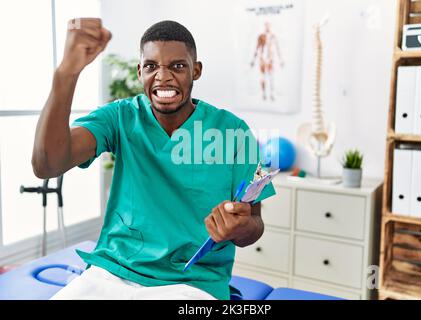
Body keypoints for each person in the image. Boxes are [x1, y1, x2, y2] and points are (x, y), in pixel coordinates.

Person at [32, 18, 275, 300]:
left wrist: (240, 226)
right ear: (139, 72)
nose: (163, 77)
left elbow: (254, 225)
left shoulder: (233, 132)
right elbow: (46, 165)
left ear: (195, 71)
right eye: (151, 66)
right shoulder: (120, 118)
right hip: (111, 273)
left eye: (177, 66)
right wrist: (66, 74)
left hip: (191, 284)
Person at [250, 21, 284, 101]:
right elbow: (257, 48)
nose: (267, 28)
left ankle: (271, 93)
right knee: (263, 77)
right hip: (262, 59)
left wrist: (280, 60)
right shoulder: (261, 36)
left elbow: (277, 48)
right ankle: (264, 94)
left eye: (268, 26)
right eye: (266, 26)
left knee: (271, 77)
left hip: (270, 59)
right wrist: (253, 60)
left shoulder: (272, 36)